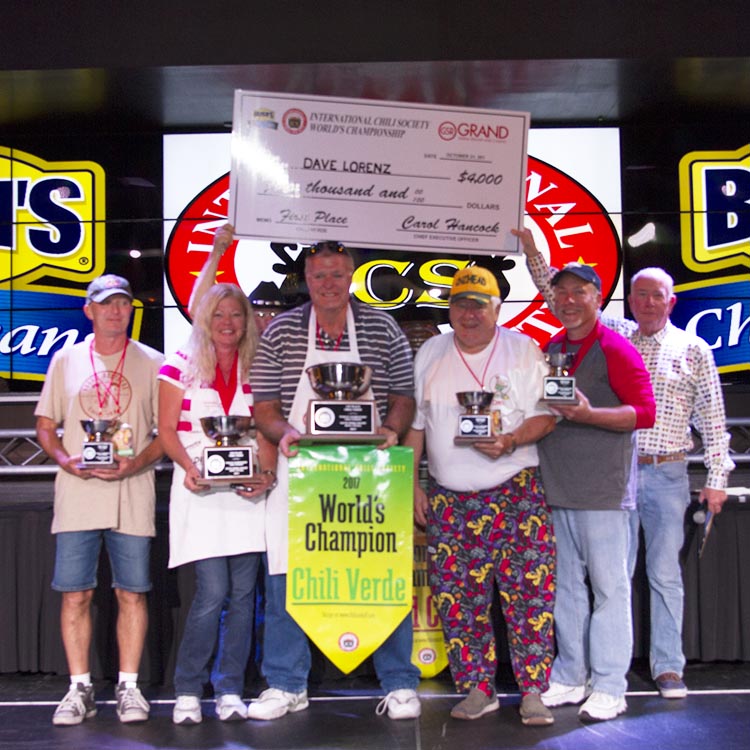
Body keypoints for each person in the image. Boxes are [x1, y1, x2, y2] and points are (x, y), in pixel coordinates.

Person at [519, 231, 734, 699]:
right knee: (611, 575)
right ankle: (593, 670)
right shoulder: (615, 333)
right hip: (611, 472)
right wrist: (533, 252)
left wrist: (717, 478)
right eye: (640, 295)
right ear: (628, 300)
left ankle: (667, 667)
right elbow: (561, 297)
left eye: (657, 295)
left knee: (662, 574)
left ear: (671, 301)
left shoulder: (694, 349)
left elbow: (714, 420)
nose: (648, 302)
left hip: (666, 471)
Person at [248, 239, 422, 721]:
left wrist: (391, 429)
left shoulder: (382, 327)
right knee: (286, 576)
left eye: (337, 274)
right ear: (307, 280)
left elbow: (403, 395)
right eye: (319, 275)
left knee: (382, 574)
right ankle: (286, 684)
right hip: (301, 467)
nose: (328, 284)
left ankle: (400, 683)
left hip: (369, 471)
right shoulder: (281, 331)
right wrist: (285, 433)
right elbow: (264, 406)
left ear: (351, 277)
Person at [403, 266, 557, 725]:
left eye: (478, 305)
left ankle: (533, 692)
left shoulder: (523, 350)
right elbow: (417, 427)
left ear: (497, 309)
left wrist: (510, 439)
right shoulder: (431, 351)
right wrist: (412, 483)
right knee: (458, 599)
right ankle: (477, 688)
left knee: (529, 597)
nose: (468, 314)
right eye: (459, 304)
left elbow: (547, 416)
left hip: (515, 492)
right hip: (449, 498)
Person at [513, 233, 656, 721]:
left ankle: (611, 684)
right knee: (565, 588)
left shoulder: (616, 347)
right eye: (562, 293)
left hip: (603, 491)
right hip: (556, 486)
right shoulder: (553, 346)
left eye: (580, 292)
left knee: (610, 589)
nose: (569, 300)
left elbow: (644, 413)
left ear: (598, 298)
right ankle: (571, 675)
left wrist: (591, 414)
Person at [159, 226, 277, 724]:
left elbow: (267, 428)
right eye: (218, 314)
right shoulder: (181, 364)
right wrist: (189, 468)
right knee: (211, 593)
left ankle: (229, 688)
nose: (227, 322)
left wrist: (266, 473)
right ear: (204, 319)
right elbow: (166, 429)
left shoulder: (259, 365)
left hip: (247, 495)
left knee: (245, 595)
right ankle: (189, 688)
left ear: (247, 320)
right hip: (202, 491)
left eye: (236, 314)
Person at [35, 274, 164, 726]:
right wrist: (64, 459)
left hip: (132, 489)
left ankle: (129, 686)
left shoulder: (154, 362)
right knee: (75, 594)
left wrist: (137, 462)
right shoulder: (65, 360)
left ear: (131, 309)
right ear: (88, 310)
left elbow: (166, 432)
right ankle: (80, 687)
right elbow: (45, 424)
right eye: (106, 304)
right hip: (78, 492)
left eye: (123, 303)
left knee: (132, 593)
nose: (115, 311)